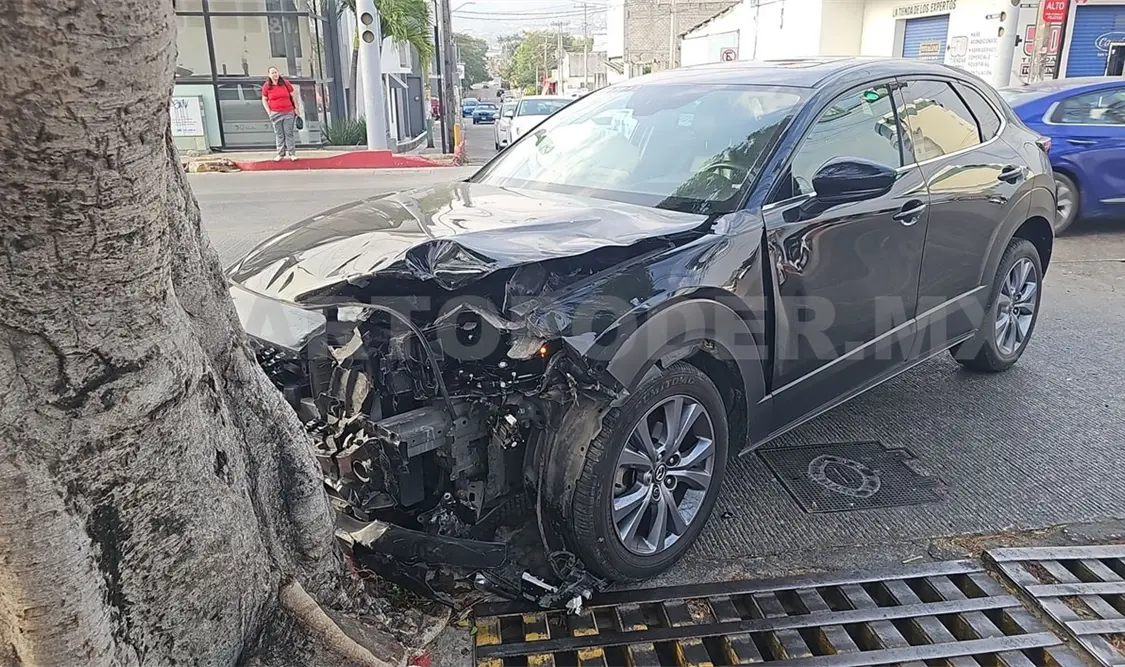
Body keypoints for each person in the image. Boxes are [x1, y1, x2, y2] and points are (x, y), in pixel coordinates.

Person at [261, 67, 299, 161]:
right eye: (272, 73)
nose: (275, 75)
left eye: (276, 72)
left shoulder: (285, 83)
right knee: (279, 134)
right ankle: (280, 154)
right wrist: (269, 112)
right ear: (269, 75)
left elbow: (293, 95)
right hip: (275, 113)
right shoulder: (267, 86)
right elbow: (264, 99)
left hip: (288, 112)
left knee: (288, 132)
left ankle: (292, 153)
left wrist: (296, 108)